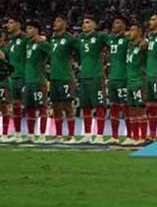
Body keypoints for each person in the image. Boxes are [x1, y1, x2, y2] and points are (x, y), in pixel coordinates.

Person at [75, 15, 109, 144]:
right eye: (83, 23)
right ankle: (88, 134)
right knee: (86, 107)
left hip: (96, 77)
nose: (84, 25)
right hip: (84, 77)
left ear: (95, 25)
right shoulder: (81, 39)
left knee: (100, 106)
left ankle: (100, 135)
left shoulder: (100, 37)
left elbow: (113, 43)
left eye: (88, 22)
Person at [48, 16, 80, 141]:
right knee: (56, 107)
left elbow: (80, 51)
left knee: (67, 107)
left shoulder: (69, 39)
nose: (55, 23)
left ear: (65, 24)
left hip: (66, 77)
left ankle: (71, 135)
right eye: (55, 21)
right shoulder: (52, 39)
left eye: (58, 21)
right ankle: (59, 134)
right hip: (54, 78)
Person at [22, 21, 51, 142]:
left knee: (42, 108)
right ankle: (31, 135)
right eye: (27, 28)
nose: (27, 31)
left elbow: (52, 52)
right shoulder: (28, 43)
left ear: (36, 30)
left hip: (39, 81)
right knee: (29, 109)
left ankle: (43, 135)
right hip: (28, 81)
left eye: (29, 28)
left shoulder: (42, 43)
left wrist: (44, 40)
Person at [0, 16, 27, 142]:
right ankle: (17, 134)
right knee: (15, 106)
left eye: (11, 22)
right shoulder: (10, 41)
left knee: (30, 105)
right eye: (7, 23)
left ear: (18, 24)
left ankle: (33, 133)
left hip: (24, 77)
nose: (8, 25)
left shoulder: (26, 39)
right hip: (12, 77)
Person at [103, 17, 130, 143]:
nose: (114, 25)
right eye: (114, 22)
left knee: (126, 108)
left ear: (125, 26)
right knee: (113, 108)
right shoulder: (110, 39)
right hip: (112, 78)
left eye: (118, 23)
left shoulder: (128, 39)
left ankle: (130, 136)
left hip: (124, 78)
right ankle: (114, 136)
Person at [123, 22, 147, 144]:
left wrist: (145, 41)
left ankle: (143, 137)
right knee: (131, 109)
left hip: (139, 81)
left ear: (139, 32)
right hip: (129, 82)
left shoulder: (144, 45)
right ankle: (134, 137)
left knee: (140, 109)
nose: (129, 32)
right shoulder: (129, 45)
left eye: (133, 30)